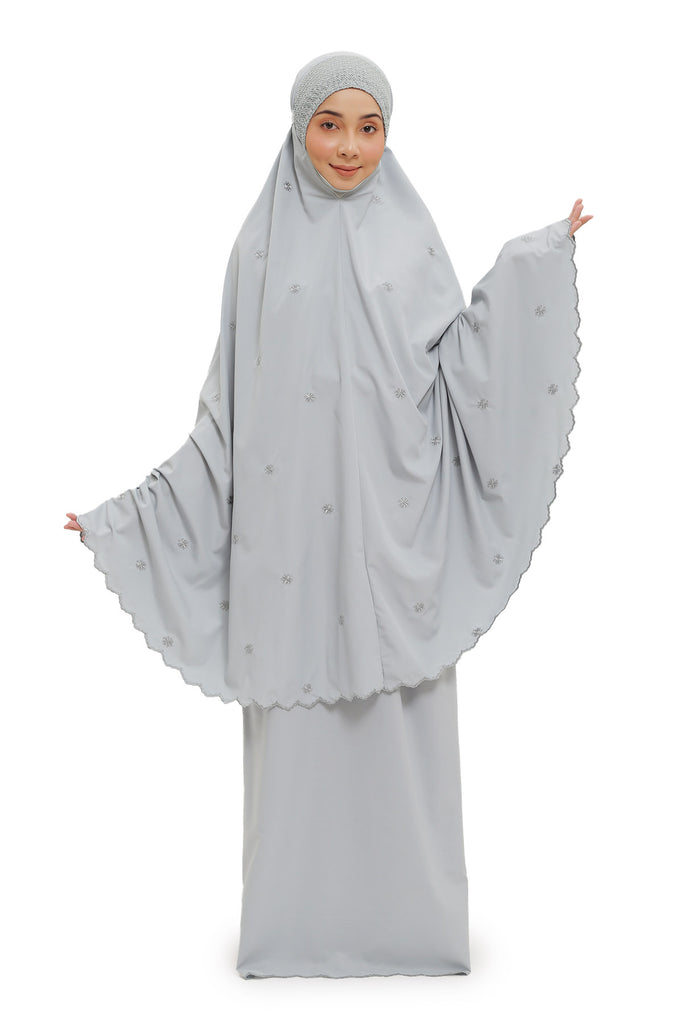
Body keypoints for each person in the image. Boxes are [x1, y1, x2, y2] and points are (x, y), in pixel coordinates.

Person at [64, 51, 591, 979]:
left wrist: (531, 265)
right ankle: (292, 934)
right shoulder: (258, 249)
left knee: (401, 721)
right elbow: (226, 412)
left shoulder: (411, 240)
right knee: (296, 732)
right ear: (299, 127)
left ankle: (415, 933)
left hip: (393, 532)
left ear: (388, 135)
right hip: (291, 546)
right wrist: (137, 514)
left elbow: (459, 368)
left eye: (369, 127)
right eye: (330, 124)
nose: (349, 146)